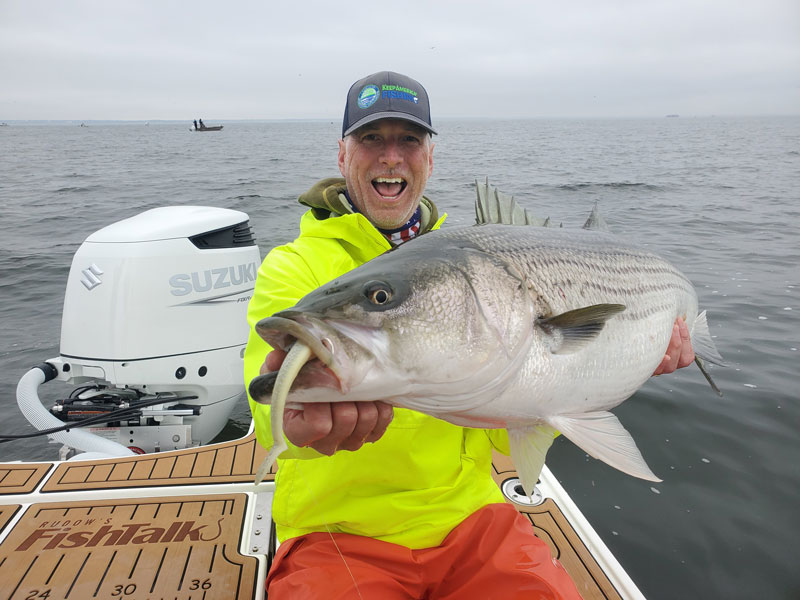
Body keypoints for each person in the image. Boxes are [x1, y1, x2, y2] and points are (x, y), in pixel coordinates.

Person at [244, 71, 695, 599]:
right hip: (339, 533)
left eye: (408, 140)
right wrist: (298, 425)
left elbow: (510, 411)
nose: (391, 157)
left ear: (429, 159)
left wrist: (633, 359)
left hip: (471, 518)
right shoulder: (293, 266)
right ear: (343, 155)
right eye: (371, 139)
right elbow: (267, 406)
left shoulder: (470, 255)